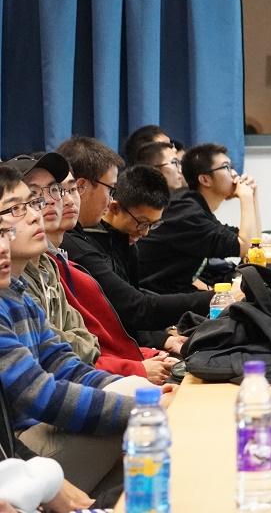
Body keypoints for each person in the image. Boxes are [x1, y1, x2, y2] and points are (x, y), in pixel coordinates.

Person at [0, 168, 163, 495]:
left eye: (32, 204)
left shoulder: (19, 292)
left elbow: (65, 363)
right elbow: (38, 394)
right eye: (16, 209)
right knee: (139, 425)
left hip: (36, 434)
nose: (35, 215)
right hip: (19, 451)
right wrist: (138, 409)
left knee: (140, 395)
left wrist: (142, 395)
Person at [61, 164, 210, 350]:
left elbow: (130, 306)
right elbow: (135, 308)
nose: (145, 232)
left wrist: (161, 339)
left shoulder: (126, 243)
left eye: (152, 225)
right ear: (114, 207)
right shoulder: (82, 248)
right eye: (142, 223)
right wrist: (213, 299)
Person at [3, 154, 99, 363]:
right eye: (19, 206)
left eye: (54, 189)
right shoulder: (12, 288)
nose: (48, 202)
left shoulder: (49, 265)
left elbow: (87, 341)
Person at [136, 143, 260, 295]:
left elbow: (254, 243)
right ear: (205, 180)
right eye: (226, 167)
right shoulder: (185, 211)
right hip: (156, 298)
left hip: (171, 293)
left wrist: (253, 196)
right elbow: (246, 247)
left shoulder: (195, 207)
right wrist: (246, 197)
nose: (234, 174)